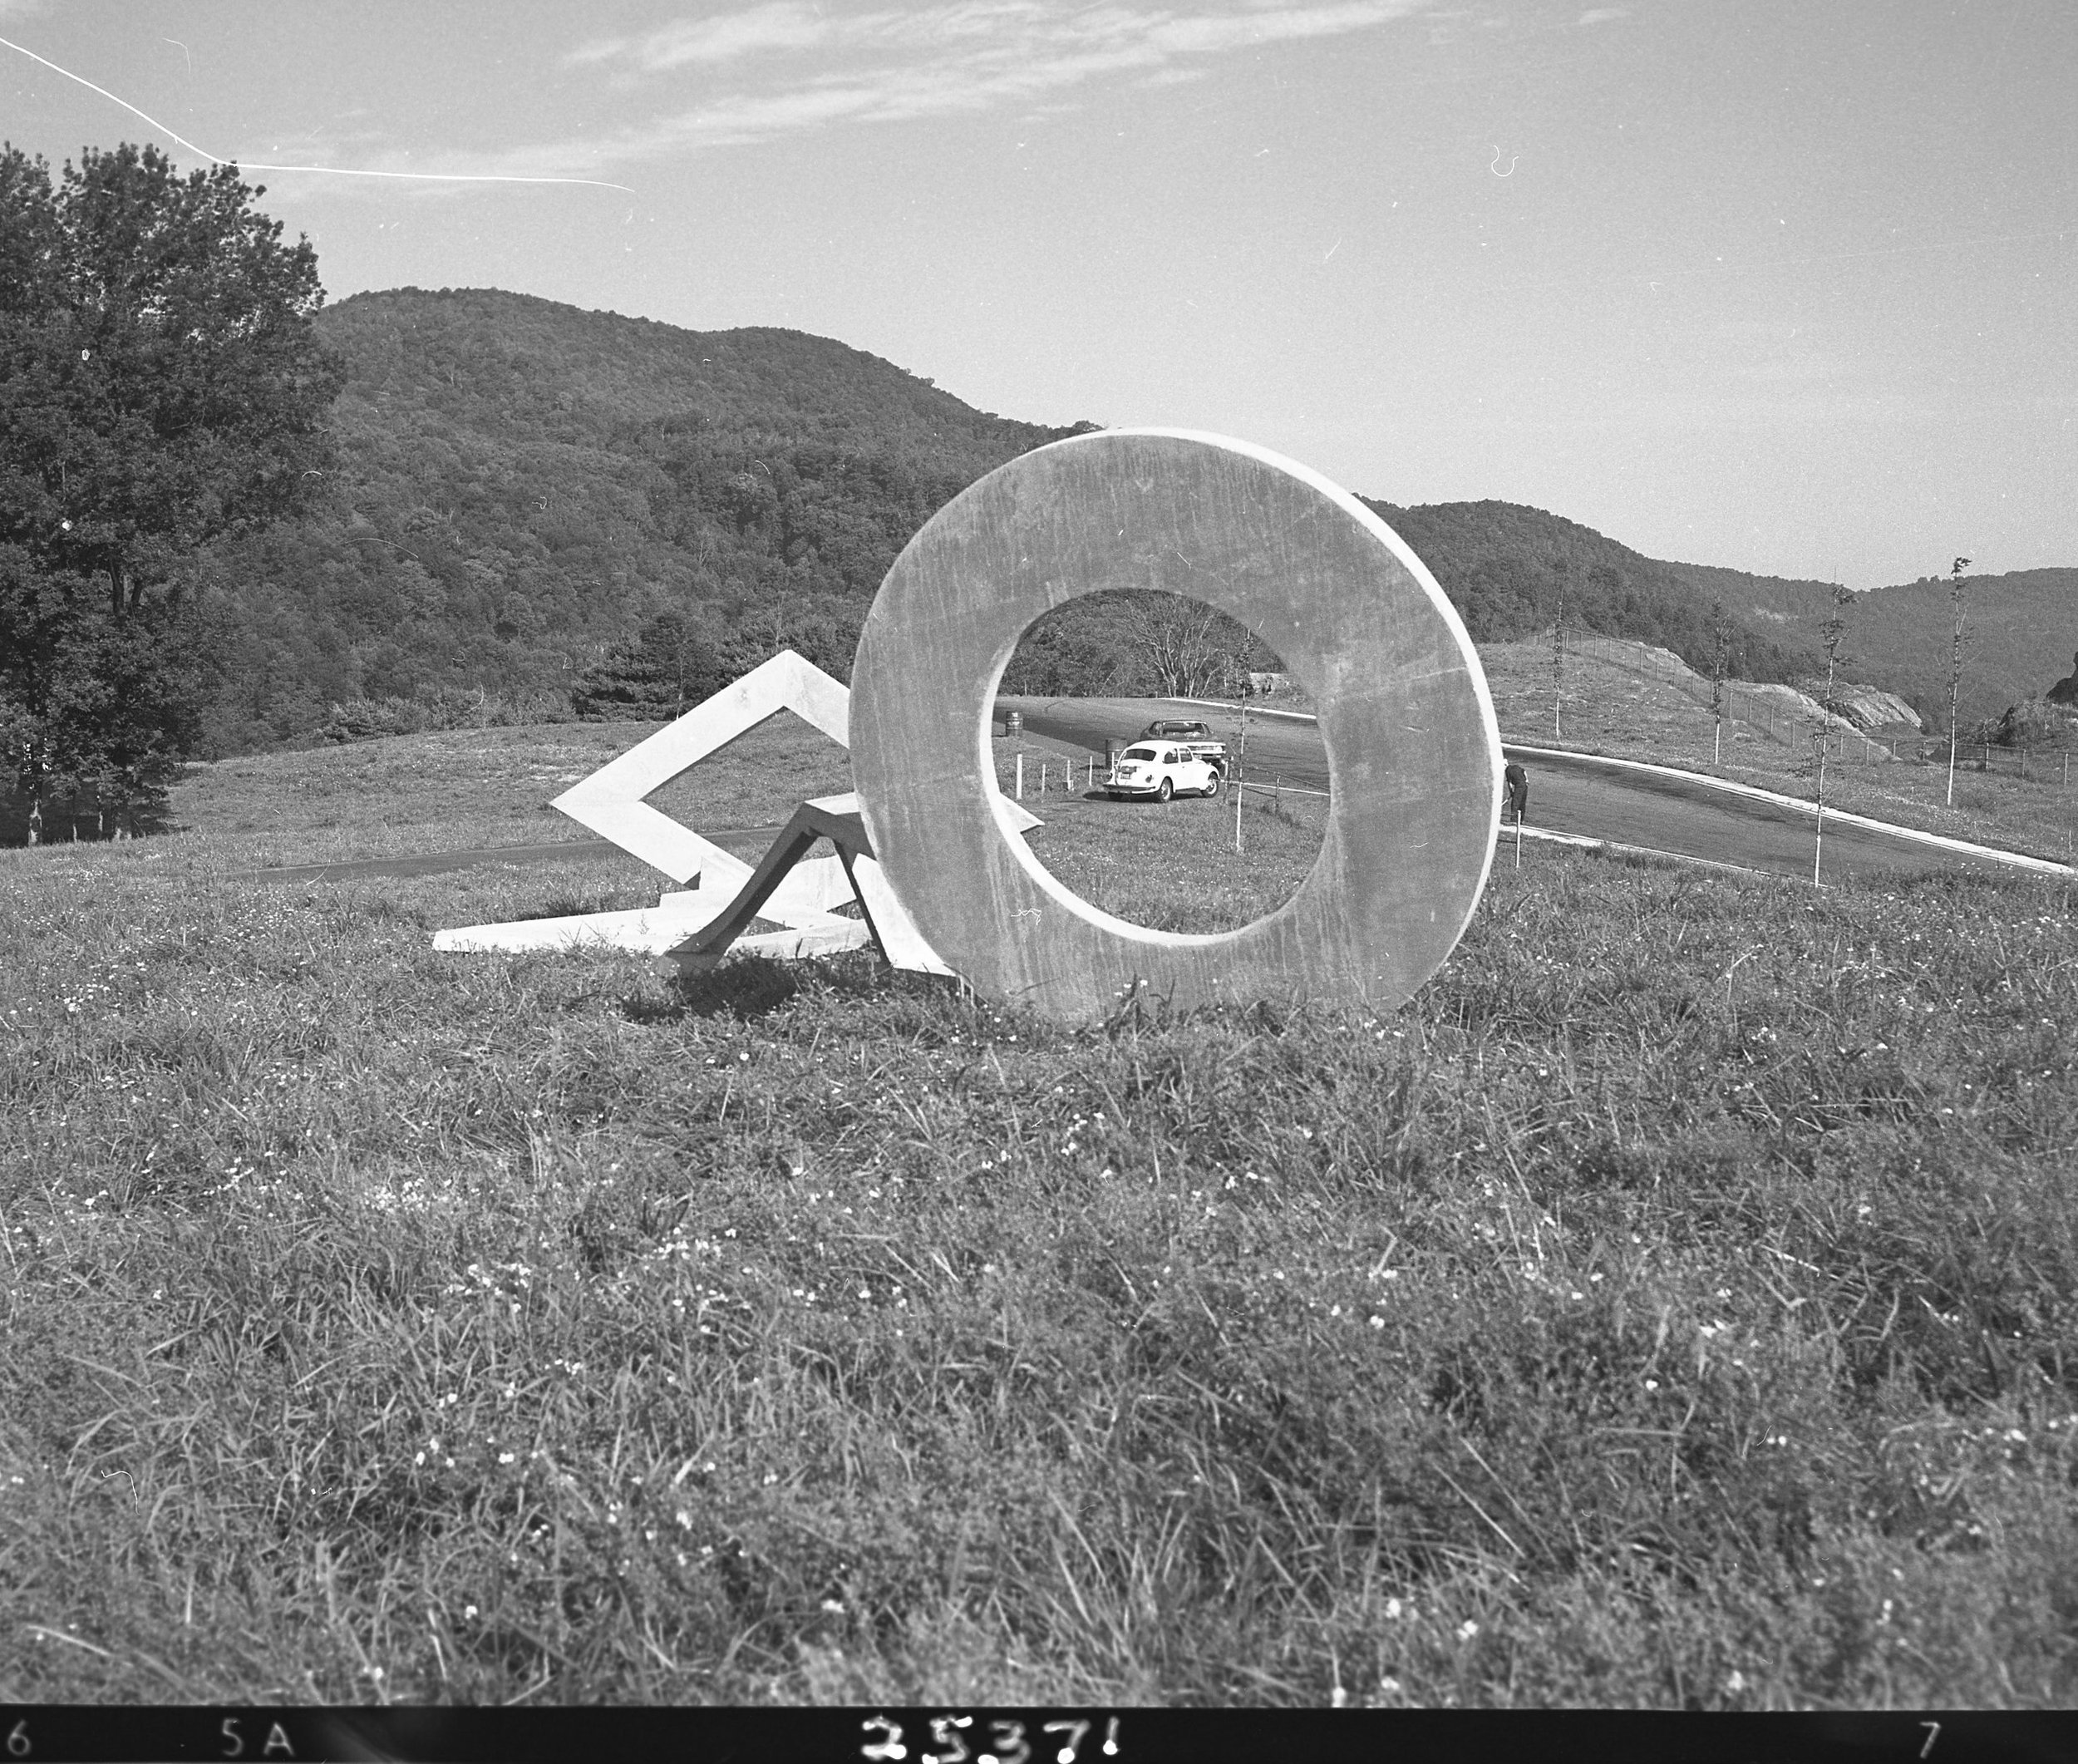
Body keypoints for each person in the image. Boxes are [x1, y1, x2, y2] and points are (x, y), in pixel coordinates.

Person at [1504, 759, 1529, 824]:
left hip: (1519, 786)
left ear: (1505, 765)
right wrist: (1526, 780)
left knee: (1515, 803)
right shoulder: (1515, 767)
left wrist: (1511, 792)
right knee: (1522, 803)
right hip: (1525, 785)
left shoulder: (1507, 771)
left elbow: (1510, 783)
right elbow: (1524, 771)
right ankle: (1521, 820)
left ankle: (1514, 821)